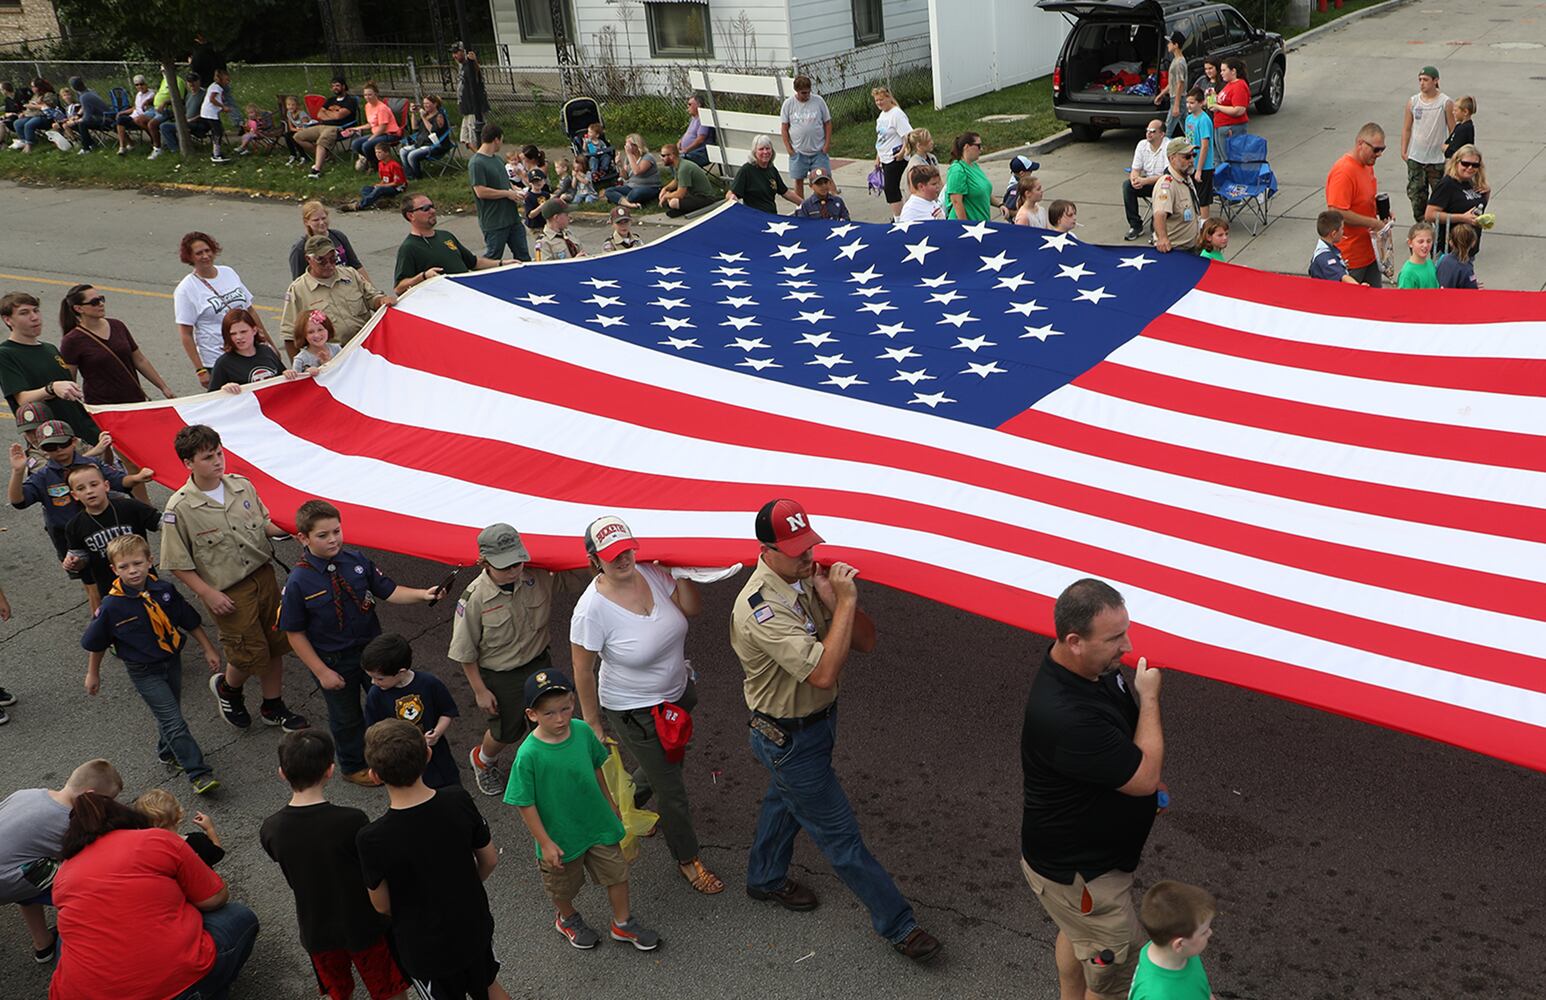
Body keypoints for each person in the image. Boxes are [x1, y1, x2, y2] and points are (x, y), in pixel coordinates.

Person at [730, 498, 941, 963]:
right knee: (841, 837)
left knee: (785, 800)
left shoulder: (806, 581)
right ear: (766, 550)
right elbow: (824, 673)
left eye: (809, 546)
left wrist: (835, 601)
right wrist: (842, 601)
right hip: (788, 736)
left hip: (813, 726)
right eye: (797, 551)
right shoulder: (760, 610)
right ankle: (900, 925)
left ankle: (764, 878)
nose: (809, 557)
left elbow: (865, 641)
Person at [1021, 578, 1164, 1000]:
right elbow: (1142, 779)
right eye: (1115, 637)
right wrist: (1150, 699)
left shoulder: (1092, 668)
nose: (1128, 645)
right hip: (1084, 877)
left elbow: (1124, 748)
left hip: (1075, 874)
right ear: (1074, 641)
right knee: (1115, 977)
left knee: (1078, 935)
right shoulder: (1065, 714)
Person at [569, 515, 722, 896]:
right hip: (635, 710)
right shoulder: (591, 611)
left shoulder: (652, 573)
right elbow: (582, 670)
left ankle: (627, 807)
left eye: (626, 549)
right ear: (594, 560)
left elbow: (690, 610)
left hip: (678, 694)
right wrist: (592, 723)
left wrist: (684, 574)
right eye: (612, 555)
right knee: (672, 788)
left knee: (666, 764)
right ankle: (688, 859)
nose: (623, 559)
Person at [280, 499, 444, 786]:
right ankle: (354, 765)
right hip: (333, 660)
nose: (333, 539)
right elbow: (294, 633)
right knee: (346, 717)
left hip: (373, 653)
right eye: (323, 535)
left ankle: (397, 756)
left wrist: (423, 594)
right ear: (302, 538)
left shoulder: (355, 561)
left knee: (390, 704)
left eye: (336, 531)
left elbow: (388, 590)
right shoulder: (298, 581)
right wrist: (322, 672)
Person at [160, 423, 309, 734]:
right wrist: (207, 594)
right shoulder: (180, 508)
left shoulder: (242, 486)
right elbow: (177, 563)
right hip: (226, 590)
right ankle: (229, 689)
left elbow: (264, 525)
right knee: (245, 650)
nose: (217, 461)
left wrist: (296, 525)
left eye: (218, 453)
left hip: (263, 576)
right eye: (207, 457)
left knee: (275, 642)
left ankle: (273, 705)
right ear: (188, 463)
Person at [506, 669, 662, 951]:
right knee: (562, 886)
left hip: (597, 822)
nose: (561, 718)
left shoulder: (581, 731)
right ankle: (567, 918)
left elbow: (595, 767)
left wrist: (610, 804)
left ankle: (622, 923)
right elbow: (523, 802)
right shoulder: (528, 755)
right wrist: (545, 842)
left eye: (566, 708)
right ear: (532, 715)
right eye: (550, 713)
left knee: (617, 872)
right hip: (560, 835)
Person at [49, 791, 259, 1000]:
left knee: (65, 937)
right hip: (169, 984)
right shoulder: (156, 839)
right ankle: (208, 990)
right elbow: (215, 898)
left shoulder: (64, 874)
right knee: (239, 916)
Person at [357, 719, 511, 999]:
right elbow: (489, 859)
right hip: (472, 925)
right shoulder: (457, 799)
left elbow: (381, 905)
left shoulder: (372, 838)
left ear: (374, 776)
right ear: (427, 756)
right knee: (489, 986)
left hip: (423, 947)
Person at [262, 729, 413, 1000]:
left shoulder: (272, 829)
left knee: (339, 992)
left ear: (282, 773)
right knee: (387, 988)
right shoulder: (351, 821)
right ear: (330, 770)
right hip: (364, 924)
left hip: (316, 928)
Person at [452, 523, 591, 797]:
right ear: (484, 561)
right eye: (504, 566)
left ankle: (549, 770)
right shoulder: (475, 598)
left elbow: (572, 576)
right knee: (505, 731)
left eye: (517, 562)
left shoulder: (536, 576)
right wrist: (480, 690)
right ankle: (483, 760)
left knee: (549, 720)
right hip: (500, 674)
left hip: (539, 663)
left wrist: (589, 554)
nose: (513, 571)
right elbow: (464, 651)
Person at [9, 420, 148, 605]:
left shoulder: (92, 465)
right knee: (94, 590)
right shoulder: (42, 477)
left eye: (63, 444)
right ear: (43, 450)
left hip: (102, 533)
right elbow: (18, 501)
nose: (58, 450)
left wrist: (138, 477)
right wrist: (18, 471)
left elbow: (119, 481)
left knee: (124, 577)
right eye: (51, 447)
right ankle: (104, 627)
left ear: (74, 441)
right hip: (71, 539)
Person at [0, 759, 123, 966]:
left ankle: (43, 943)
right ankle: (92, 950)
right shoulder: (67, 822)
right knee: (85, 879)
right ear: (90, 796)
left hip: (9, 868)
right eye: (107, 801)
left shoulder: (28, 794)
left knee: (33, 865)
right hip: (5, 881)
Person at [362, 633, 461, 789]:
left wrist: (437, 733)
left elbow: (447, 711)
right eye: (371, 677)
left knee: (450, 787)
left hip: (437, 754)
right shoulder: (376, 695)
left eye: (379, 678)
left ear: (401, 672)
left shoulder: (429, 683)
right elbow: (373, 731)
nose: (373, 682)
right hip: (402, 760)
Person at [59, 284, 174, 417]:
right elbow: (70, 379)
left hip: (134, 401)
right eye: (94, 302)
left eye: (101, 299)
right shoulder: (72, 340)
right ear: (79, 308)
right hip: (103, 408)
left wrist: (163, 387)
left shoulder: (117, 325)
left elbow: (140, 360)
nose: (101, 304)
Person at [1, 291, 98, 442]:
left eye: (36, 310)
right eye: (24, 313)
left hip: (84, 433)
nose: (34, 317)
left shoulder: (50, 348)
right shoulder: (6, 354)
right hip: (54, 442)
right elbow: (22, 399)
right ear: (8, 320)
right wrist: (51, 388)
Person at [62, 462, 161, 609]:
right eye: (81, 488)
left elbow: (161, 522)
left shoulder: (130, 507)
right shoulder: (74, 526)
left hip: (146, 582)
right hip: (112, 592)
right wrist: (73, 563)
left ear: (106, 486)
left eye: (94, 484)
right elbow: (79, 557)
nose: (89, 491)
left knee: (162, 616)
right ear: (74, 495)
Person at [172, 231, 260, 389]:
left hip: (247, 350)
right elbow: (185, 334)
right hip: (217, 359)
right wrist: (200, 370)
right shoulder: (186, 289)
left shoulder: (228, 272)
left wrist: (267, 342)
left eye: (207, 250)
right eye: (199, 253)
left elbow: (250, 311)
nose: (205, 256)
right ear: (190, 257)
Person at [279, 234, 395, 352]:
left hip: (365, 347)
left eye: (333, 259)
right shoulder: (298, 290)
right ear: (309, 259)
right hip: (332, 356)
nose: (329, 264)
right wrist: (299, 367)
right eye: (321, 260)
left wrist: (381, 301)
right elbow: (289, 335)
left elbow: (372, 298)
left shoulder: (350, 274)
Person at [392, 194, 506, 295]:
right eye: (425, 208)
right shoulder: (409, 247)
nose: (432, 211)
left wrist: (502, 263)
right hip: (445, 301)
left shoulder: (446, 236)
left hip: (467, 293)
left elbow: (473, 262)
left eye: (432, 206)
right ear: (411, 215)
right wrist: (424, 276)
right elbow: (399, 288)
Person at [1130, 881, 1217, 1000]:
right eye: (1204, 932)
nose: (1210, 933)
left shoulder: (1184, 952)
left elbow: (1203, 990)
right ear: (1179, 944)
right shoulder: (1155, 995)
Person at [1325, 123, 1388, 287]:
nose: (1379, 154)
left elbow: (1364, 200)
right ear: (1361, 144)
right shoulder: (1344, 172)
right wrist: (1373, 223)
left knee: (1373, 305)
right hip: (1350, 256)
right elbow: (1336, 212)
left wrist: (1383, 213)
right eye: (1376, 149)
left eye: (1382, 149)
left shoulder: (1367, 166)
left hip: (1369, 252)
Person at [468, 122, 532, 264]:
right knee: (493, 257)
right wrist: (506, 194)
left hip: (512, 219)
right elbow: (480, 191)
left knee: (523, 256)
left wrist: (516, 191)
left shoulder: (497, 159)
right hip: (495, 221)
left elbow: (505, 182)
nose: (501, 144)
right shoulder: (477, 163)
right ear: (496, 139)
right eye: (501, 140)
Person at [1399, 66, 1454, 223]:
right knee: (1417, 196)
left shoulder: (1445, 103)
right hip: (1417, 158)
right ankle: (1422, 228)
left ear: (1435, 81)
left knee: (1439, 197)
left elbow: (1452, 130)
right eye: (1420, 80)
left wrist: (1451, 154)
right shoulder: (1413, 102)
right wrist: (1404, 150)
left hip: (1437, 160)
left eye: (1425, 80)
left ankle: (1440, 227)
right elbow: (1407, 128)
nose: (1422, 83)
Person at [1424, 143, 1490, 254]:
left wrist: (1487, 193)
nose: (1470, 168)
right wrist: (1462, 218)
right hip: (1449, 251)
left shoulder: (1472, 183)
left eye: (1475, 165)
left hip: (1468, 250)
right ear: (1456, 162)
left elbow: (1477, 210)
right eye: (1465, 164)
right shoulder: (1447, 184)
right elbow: (1430, 215)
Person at [133, 789, 225, 868]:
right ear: (179, 814)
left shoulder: (151, 855)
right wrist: (209, 829)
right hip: (208, 885)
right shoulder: (197, 840)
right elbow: (217, 854)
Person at [780, 74, 833, 201]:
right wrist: (789, 149)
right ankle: (801, 206)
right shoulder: (788, 104)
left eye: (808, 92)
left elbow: (828, 123)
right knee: (798, 180)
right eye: (803, 93)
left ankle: (829, 204)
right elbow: (784, 128)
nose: (806, 95)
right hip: (798, 152)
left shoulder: (818, 101)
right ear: (796, 91)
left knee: (824, 178)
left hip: (818, 150)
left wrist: (826, 145)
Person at [287, 201, 369, 282]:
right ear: (306, 222)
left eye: (324, 218)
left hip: (346, 286)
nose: (321, 223)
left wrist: (373, 291)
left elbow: (356, 266)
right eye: (316, 220)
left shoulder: (338, 236)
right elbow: (299, 281)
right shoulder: (300, 248)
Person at [295, 77, 360, 179]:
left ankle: (316, 170)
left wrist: (328, 113)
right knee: (298, 136)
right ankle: (326, 156)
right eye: (333, 86)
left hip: (339, 127)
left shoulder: (350, 100)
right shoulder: (330, 100)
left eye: (337, 85)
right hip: (322, 125)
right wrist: (333, 113)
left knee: (321, 141)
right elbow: (320, 114)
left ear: (343, 86)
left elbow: (339, 116)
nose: (335, 88)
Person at [209, 309, 287, 392]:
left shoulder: (267, 351)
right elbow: (211, 398)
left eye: (243, 332)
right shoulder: (223, 363)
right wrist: (224, 389)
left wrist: (287, 374)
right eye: (233, 334)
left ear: (254, 330)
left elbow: (281, 377)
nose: (238, 337)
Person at [1123, 120, 1169, 240]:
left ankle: (1156, 229)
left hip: (1164, 184)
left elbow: (1167, 176)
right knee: (1127, 186)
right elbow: (1135, 169)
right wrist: (1134, 179)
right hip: (1148, 182)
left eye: (1153, 131)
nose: (1148, 134)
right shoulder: (1142, 145)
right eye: (1147, 131)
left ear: (1162, 134)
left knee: (1163, 188)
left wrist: (1144, 181)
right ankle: (1136, 226)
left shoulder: (1168, 146)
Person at [1152, 137, 1200, 254]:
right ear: (1172, 158)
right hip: (1176, 251)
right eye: (1187, 157)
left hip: (1192, 247)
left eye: (1193, 155)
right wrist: (1163, 238)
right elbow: (1160, 213)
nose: (1192, 160)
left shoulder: (1186, 177)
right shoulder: (1167, 184)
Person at [871, 86, 913, 218]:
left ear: (888, 98)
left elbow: (907, 135)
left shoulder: (897, 114)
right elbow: (881, 138)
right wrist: (878, 157)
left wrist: (902, 153)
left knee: (891, 188)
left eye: (881, 99)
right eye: (876, 100)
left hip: (895, 157)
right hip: (884, 156)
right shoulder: (882, 115)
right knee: (890, 189)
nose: (879, 103)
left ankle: (899, 218)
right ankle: (899, 215)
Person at [341, 82, 400, 172]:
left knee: (366, 145)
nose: (367, 97)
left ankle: (374, 166)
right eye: (365, 95)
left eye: (370, 95)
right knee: (356, 144)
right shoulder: (367, 106)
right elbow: (371, 124)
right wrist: (356, 128)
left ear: (375, 94)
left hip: (389, 133)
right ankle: (374, 160)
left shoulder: (382, 108)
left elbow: (383, 127)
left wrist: (372, 138)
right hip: (377, 133)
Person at [657, 142, 718, 217]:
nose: (661, 158)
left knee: (673, 202)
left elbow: (680, 194)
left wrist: (666, 196)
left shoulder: (683, 168)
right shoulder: (678, 164)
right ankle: (682, 208)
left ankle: (683, 209)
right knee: (670, 199)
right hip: (692, 195)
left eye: (663, 156)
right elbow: (676, 181)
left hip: (704, 197)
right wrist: (665, 189)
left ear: (672, 155)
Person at [400, 94, 451, 180]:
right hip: (421, 143)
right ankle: (409, 176)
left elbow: (433, 131)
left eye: (428, 103)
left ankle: (418, 177)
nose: (425, 106)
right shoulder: (426, 114)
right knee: (402, 151)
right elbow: (414, 127)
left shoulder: (439, 116)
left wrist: (423, 117)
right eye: (424, 103)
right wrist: (413, 114)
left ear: (435, 104)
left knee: (411, 155)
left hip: (436, 145)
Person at [451, 42, 491, 151]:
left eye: (456, 52)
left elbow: (478, 76)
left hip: (474, 109)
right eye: (453, 53)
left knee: (476, 139)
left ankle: (483, 159)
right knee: (465, 140)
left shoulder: (470, 66)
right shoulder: (462, 67)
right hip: (467, 110)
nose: (454, 56)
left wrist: (474, 61)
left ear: (464, 52)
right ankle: (480, 158)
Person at [606, 134, 663, 209]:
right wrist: (620, 165)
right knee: (609, 191)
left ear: (637, 145)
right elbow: (625, 177)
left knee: (635, 194)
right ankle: (630, 204)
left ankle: (620, 200)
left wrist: (629, 154)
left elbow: (637, 171)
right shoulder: (629, 158)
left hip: (648, 187)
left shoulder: (647, 157)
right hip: (631, 186)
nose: (627, 147)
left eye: (629, 144)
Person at [1183, 89, 1215, 221]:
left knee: (1203, 198)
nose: (1189, 105)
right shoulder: (1189, 119)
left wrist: (1199, 170)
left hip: (1204, 166)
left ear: (1201, 103)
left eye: (1192, 102)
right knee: (1192, 195)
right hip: (1191, 163)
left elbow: (1205, 145)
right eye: (1187, 102)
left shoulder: (1204, 120)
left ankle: (1204, 224)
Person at [346, 142, 406, 211]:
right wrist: (380, 184)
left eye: (379, 152)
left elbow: (397, 183)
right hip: (386, 186)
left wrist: (381, 186)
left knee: (379, 189)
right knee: (365, 189)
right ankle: (376, 202)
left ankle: (359, 205)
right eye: (376, 152)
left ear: (387, 153)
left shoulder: (394, 165)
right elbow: (384, 179)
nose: (377, 155)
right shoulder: (380, 164)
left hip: (396, 188)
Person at [1309, 210, 1363, 285]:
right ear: (1334, 234)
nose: (1343, 232)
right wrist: (1359, 286)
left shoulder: (1327, 248)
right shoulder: (1325, 257)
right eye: (1342, 229)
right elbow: (1341, 276)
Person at [159, 74, 208, 153]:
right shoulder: (189, 95)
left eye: (194, 81)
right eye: (189, 82)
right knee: (164, 123)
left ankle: (175, 150)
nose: (192, 84)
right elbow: (186, 109)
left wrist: (191, 120)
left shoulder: (204, 95)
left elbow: (206, 113)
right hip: (186, 121)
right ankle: (172, 147)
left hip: (199, 123)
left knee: (165, 126)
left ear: (198, 81)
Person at [1211, 58, 1249, 155]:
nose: (1221, 73)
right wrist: (1214, 97)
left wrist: (1218, 107)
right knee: (1222, 159)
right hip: (1221, 126)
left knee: (1231, 159)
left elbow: (1239, 110)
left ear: (1233, 71)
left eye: (1224, 70)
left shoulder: (1239, 86)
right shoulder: (1229, 85)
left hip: (1232, 128)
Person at [115, 74, 156, 155]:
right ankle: (127, 145)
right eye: (137, 85)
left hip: (144, 118)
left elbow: (151, 105)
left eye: (141, 84)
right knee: (116, 122)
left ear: (146, 84)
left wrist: (148, 102)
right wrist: (122, 112)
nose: (140, 86)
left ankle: (124, 147)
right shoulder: (138, 94)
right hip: (133, 117)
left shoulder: (152, 94)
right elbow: (135, 108)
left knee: (121, 121)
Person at [200, 67, 233, 163]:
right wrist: (223, 107)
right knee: (218, 132)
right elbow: (212, 99)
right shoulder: (216, 87)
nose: (228, 82)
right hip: (210, 113)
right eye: (226, 80)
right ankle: (216, 154)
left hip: (210, 113)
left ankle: (216, 152)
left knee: (218, 131)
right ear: (220, 79)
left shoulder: (215, 86)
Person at [1157, 32, 1188, 137]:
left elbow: (1180, 84)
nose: (1168, 45)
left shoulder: (1179, 63)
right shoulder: (1175, 60)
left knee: (1167, 130)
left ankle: (1163, 151)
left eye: (1170, 43)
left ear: (1176, 45)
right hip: (1177, 98)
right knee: (1187, 129)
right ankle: (1195, 147)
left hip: (1178, 99)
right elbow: (1172, 83)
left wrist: (1176, 105)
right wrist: (1161, 94)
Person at [1436, 222, 1480, 289]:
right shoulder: (1466, 267)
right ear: (1473, 242)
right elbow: (1471, 289)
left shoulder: (1442, 259)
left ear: (1451, 242)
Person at [1396, 222, 1439, 288]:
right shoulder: (1407, 274)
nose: (1425, 245)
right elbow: (1404, 297)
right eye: (1420, 241)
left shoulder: (1430, 264)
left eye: (1429, 241)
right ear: (1410, 243)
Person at [678, 94, 715, 167]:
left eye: (690, 104)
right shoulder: (694, 118)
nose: (687, 106)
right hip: (687, 151)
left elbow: (700, 139)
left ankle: (681, 177)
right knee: (669, 156)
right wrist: (679, 142)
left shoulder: (703, 119)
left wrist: (686, 150)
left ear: (698, 105)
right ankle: (677, 177)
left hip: (699, 153)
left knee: (678, 158)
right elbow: (688, 134)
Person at [1000, 154, 1039, 220]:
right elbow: (1007, 210)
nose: (1031, 173)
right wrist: (1026, 213)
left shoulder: (1021, 182)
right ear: (1022, 173)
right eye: (1030, 171)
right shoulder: (1015, 189)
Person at [281, 94, 317, 166]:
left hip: (308, 131)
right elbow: (291, 128)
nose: (290, 107)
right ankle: (293, 155)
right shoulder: (288, 113)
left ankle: (304, 156)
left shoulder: (302, 114)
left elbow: (306, 127)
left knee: (295, 137)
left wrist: (298, 130)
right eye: (288, 105)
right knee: (287, 135)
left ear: (297, 105)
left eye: (293, 105)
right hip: (299, 130)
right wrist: (297, 130)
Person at [904, 128, 940, 192]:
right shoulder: (915, 165)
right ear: (919, 146)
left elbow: (939, 180)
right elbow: (913, 189)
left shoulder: (932, 158)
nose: (932, 142)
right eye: (928, 141)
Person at [1444, 95, 1475, 159]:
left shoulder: (1465, 129)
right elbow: (1448, 142)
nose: (1453, 113)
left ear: (1465, 112)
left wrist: (1447, 149)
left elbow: (1453, 151)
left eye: (1456, 110)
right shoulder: (1459, 126)